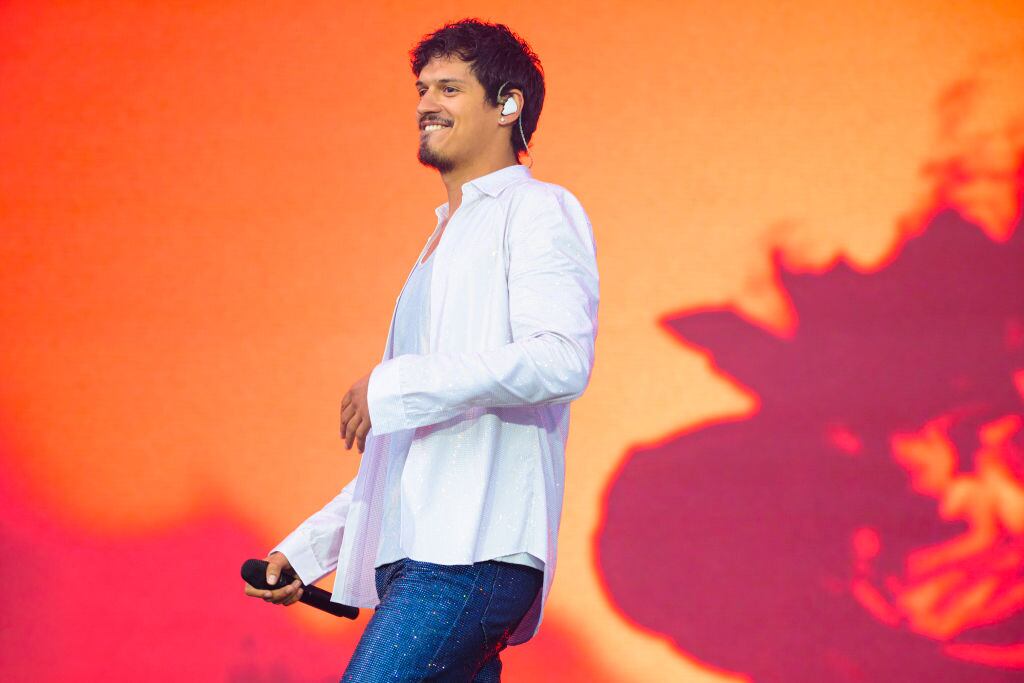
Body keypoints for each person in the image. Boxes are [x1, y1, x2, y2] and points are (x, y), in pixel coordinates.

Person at [243, 18, 599, 681]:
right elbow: (411, 455)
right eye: (421, 88)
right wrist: (309, 547)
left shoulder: (538, 211)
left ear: (508, 104)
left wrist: (394, 385)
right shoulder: (439, 246)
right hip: (422, 558)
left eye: (450, 88)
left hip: (469, 558)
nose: (425, 104)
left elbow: (559, 357)